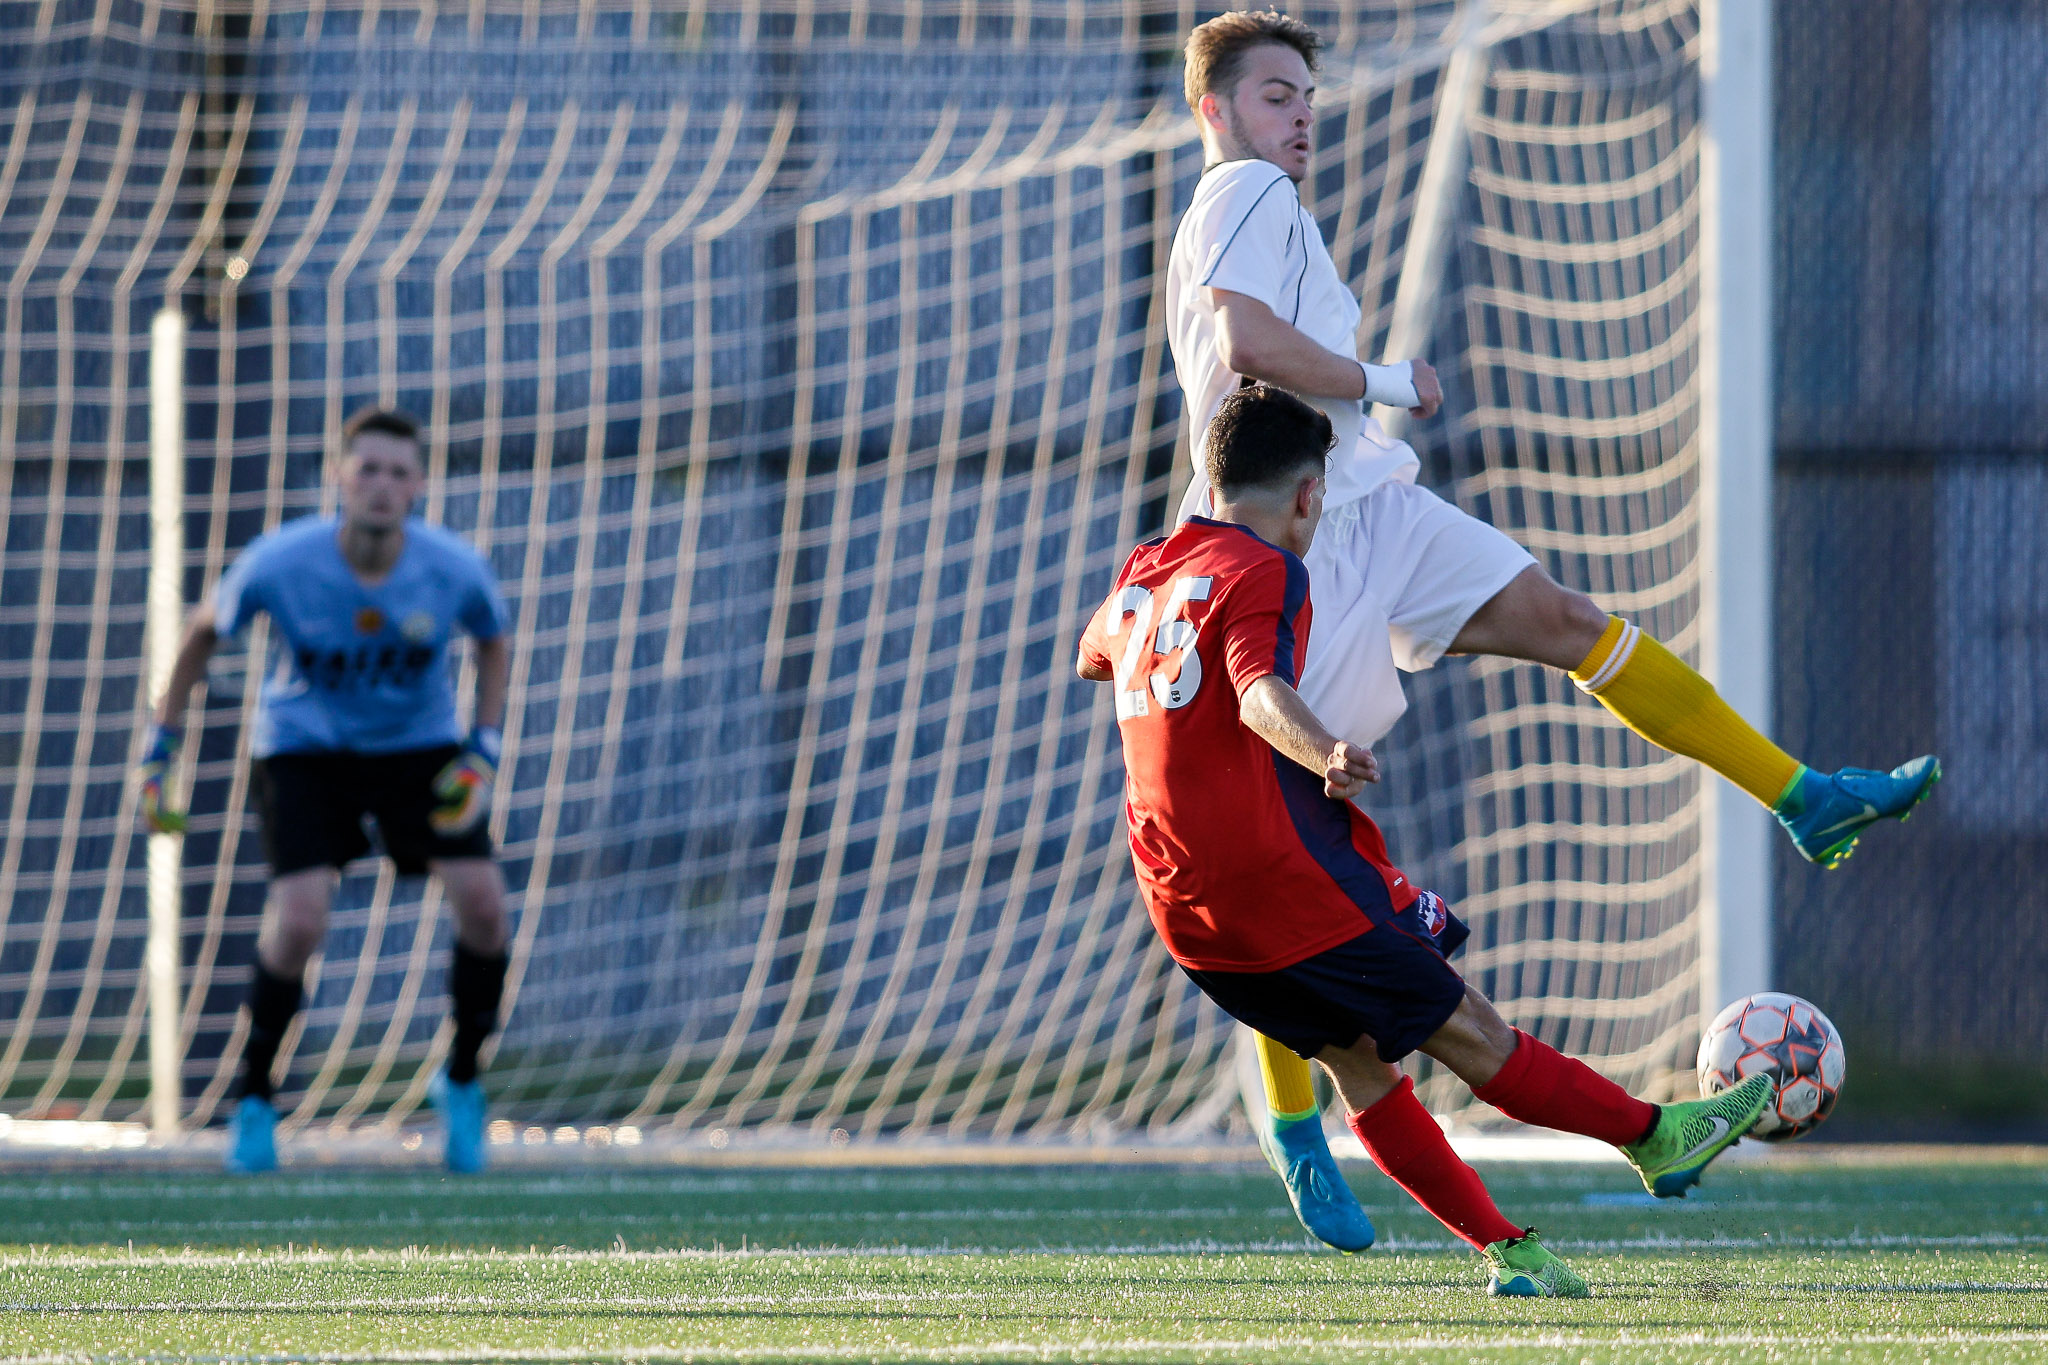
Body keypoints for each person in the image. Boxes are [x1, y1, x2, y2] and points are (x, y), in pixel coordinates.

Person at [1165, 8, 1937, 1250]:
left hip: (1367, 502)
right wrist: (1384, 382)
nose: (1295, 114)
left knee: (1572, 623)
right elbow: (1252, 342)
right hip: (1295, 542)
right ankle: (1296, 1126)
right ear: (1212, 110)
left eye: (1304, 94)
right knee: (1285, 846)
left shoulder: (1272, 202)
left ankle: (1805, 795)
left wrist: (1368, 411)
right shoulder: (1240, 190)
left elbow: (1267, 338)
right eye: (1269, 94)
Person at [1076, 383, 1773, 1295]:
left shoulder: (1143, 568)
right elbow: (1255, 691)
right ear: (1308, 496)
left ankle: (1509, 1251)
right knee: (1467, 1027)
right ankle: (1656, 1138)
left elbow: (1094, 653)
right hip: (1276, 885)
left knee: (1356, 1058)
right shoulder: (1267, 570)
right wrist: (1323, 746)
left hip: (1182, 907)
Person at [138, 407, 513, 1175]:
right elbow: (202, 631)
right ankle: (254, 1097)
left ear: (419, 486)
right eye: (366, 468)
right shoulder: (281, 561)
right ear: (339, 476)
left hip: (421, 750)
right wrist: (159, 750)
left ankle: (462, 1080)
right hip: (305, 748)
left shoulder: (452, 566)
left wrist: (483, 749)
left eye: (398, 472)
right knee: (301, 917)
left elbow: (493, 638)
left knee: (484, 906)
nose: (381, 485)